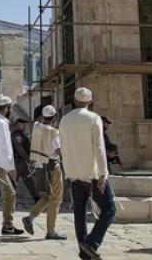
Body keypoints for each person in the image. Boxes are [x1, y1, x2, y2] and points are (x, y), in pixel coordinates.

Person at [60, 88, 115, 260]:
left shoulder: (64, 120)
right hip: (91, 173)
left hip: (74, 173)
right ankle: (91, 243)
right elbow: (99, 147)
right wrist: (103, 174)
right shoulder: (93, 118)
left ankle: (84, 251)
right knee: (109, 208)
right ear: (90, 102)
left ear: (75, 101)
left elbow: (63, 146)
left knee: (80, 213)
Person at [21, 105, 67, 240]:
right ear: (54, 117)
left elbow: (40, 122)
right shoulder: (54, 132)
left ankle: (30, 217)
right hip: (51, 166)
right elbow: (58, 150)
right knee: (56, 199)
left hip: (39, 166)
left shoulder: (36, 126)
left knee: (48, 196)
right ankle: (50, 231)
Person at [0, 96, 25, 235]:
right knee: (9, 194)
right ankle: (7, 225)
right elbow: (6, 147)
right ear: (7, 108)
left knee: (0, 193)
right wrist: (11, 168)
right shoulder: (2, 123)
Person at [11, 118, 40, 203]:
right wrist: (29, 159)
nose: (25, 126)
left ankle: (36, 198)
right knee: (14, 181)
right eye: (23, 124)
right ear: (18, 124)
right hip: (17, 161)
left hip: (22, 162)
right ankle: (10, 199)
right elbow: (20, 150)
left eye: (25, 124)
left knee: (28, 180)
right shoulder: (17, 135)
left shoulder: (22, 134)